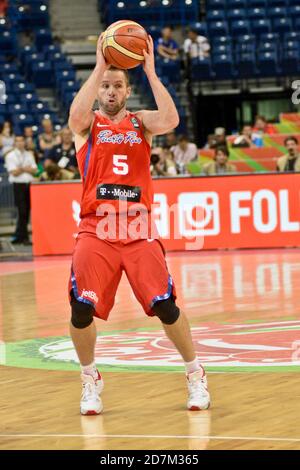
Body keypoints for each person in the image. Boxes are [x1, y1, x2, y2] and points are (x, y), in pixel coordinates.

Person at [68, 33, 210, 416]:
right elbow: (74, 117)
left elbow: (172, 119)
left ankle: (195, 373)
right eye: (105, 86)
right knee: (80, 309)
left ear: (127, 91)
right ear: (99, 90)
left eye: (117, 85)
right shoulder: (88, 126)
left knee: (165, 305)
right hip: (96, 228)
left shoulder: (141, 123)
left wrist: (149, 70)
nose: (111, 91)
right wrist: (99, 65)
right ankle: (89, 378)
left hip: (137, 228)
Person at [5, 135, 37, 244]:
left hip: (28, 185)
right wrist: (25, 168)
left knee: (26, 211)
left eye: (21, 141)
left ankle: (19, 235)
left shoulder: (29, 154)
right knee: (22, 211)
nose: (20, 143)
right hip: (18, 185)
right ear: (14, 143)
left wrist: (21, 169)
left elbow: (34, 170)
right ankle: (24, 237)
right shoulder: (10, 156)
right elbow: (13, 172)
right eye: (17, 141)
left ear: (24, 142)